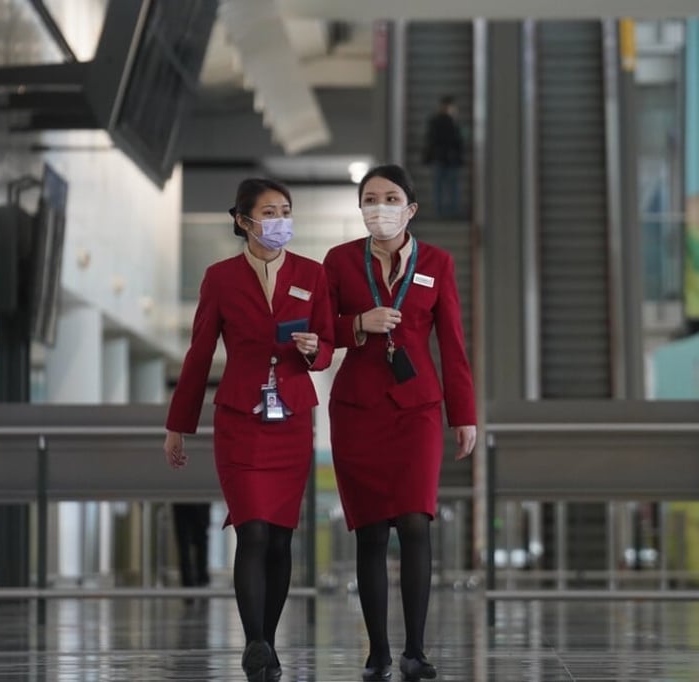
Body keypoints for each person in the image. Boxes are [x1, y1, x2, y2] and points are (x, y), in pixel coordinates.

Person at [163, 178, 334, 682]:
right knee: (251, 530)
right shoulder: (220, 278)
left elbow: (326, 346)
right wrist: (178, 425)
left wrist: (312, 351)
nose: (280, 220)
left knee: (279, 539)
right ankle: (254, 642)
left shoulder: (312, 273)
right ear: (243, 221)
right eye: (270, 211)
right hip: (241, 419)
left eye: (286, 210)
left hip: (292, 419)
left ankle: (268, 639)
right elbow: (198, 355)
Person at [323, 165, 477, 681]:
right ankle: (378, 651)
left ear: (410, 209)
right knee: (369, 532)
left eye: (391, 198)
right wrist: (357, 325)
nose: (379, 207)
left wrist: (465, 415)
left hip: (417, 410)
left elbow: (452, 344)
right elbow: (321, 334)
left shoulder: (437, 262)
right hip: (358, 410)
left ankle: (415, 648)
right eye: (370, 198)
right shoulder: (340, 261)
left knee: (415, 521)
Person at [422, 95, 465, 219]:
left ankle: (449, 210)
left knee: (449, 185)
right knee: (442, 185)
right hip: (442, 158)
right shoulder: (441, 121)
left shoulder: (452, 121)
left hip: (446, 158)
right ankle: (442, 210)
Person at [171, 502, 211, 592]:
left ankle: (194, 582)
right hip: (194, 502)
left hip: (184, 503)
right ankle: (199, 581)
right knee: (196, 544)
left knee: (188, 545)